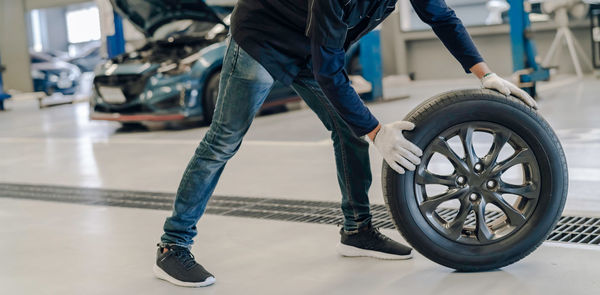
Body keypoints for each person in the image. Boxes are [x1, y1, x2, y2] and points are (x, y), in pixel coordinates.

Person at [152, 0, 537, 287]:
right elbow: (328, 69)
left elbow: (441, 17)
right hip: (263, 38)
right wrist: (376, 131)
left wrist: (485, 74)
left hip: (313, 45)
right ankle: (173, 245)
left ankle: (357, 231)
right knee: (224, 140)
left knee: (348, 129)